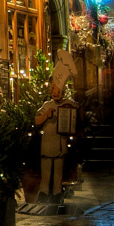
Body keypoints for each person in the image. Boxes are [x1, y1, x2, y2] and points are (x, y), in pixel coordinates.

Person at [34, 49, 77, 202]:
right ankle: (44, 192)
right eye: (53, 89)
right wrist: (46, 116)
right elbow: (37, 120)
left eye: (58, 90)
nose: (55, 92)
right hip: (47, 144)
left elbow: (74, 114)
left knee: (57, 171)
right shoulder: (46, 105)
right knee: (46, 170)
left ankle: (57, 193)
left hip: (60, 144)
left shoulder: (67, 105)